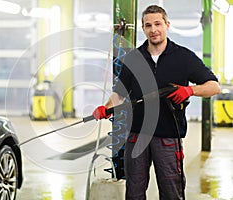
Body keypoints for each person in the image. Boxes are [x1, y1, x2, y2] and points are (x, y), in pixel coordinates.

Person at [92, 5, 221, 200]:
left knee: (171, 192)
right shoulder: (134, 58)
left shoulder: (183, 57)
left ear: (167, 25)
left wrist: (189, 90)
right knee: (134, 193)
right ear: (143, 29)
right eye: (148, 25)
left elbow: (214, 86)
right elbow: (120, 93)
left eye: (158, 24)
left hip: (168, 137)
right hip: (137, 136)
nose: (154, 29)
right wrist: (106, 107)